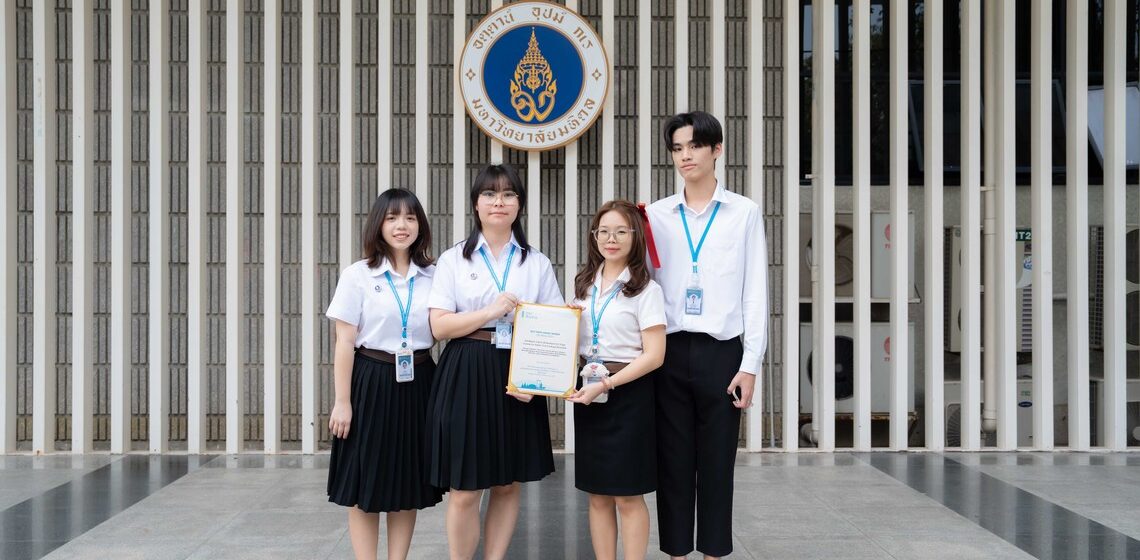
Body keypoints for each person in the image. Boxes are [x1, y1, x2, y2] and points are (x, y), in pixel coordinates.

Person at [646, 111, 769, 559]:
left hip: (722, 352)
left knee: (718, 464)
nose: (684, 156)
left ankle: (714, 553)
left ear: (716, 150)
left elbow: (755, 292)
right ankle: (677, 553)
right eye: (676, 148)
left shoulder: (743, 213)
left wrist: (749, 364)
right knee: (673, 463)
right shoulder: (655, 215)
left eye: (693, 146)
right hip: (669, 351)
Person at [425, 163, 563, 560]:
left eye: (508, 194)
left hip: (519, 370)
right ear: (476, 204)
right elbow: (439, 326)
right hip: (467, 368)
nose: (498, 202)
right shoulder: (454, 259)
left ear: (519, 204)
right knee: (466, 487)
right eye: (489, 194)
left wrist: (537, 383)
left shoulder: (535, 262)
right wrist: (490, 311)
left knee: (507, 482)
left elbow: (554, 324)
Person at [325, 188, 443, 560]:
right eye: (392, 218)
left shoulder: (435, 275)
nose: (401, 225)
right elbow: (344, 341)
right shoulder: (358, 275)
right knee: (365, 479)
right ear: (379, 224)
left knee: (407, 479)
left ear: (420, 225)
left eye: (409, 217)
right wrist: (342, 402)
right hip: (371, 380)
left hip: (421, 381)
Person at [567, 200, 666, 560]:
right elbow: (565, 340)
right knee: (597, 494)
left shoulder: (645, 290)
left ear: (634, 236)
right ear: (594, 237)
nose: (611, 239)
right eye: (604, 231)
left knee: (627, 494)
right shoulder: (582, 285)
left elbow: (655, 355)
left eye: (621, 231)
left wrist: (607, 384)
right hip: (589, 393)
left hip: (628, 395)